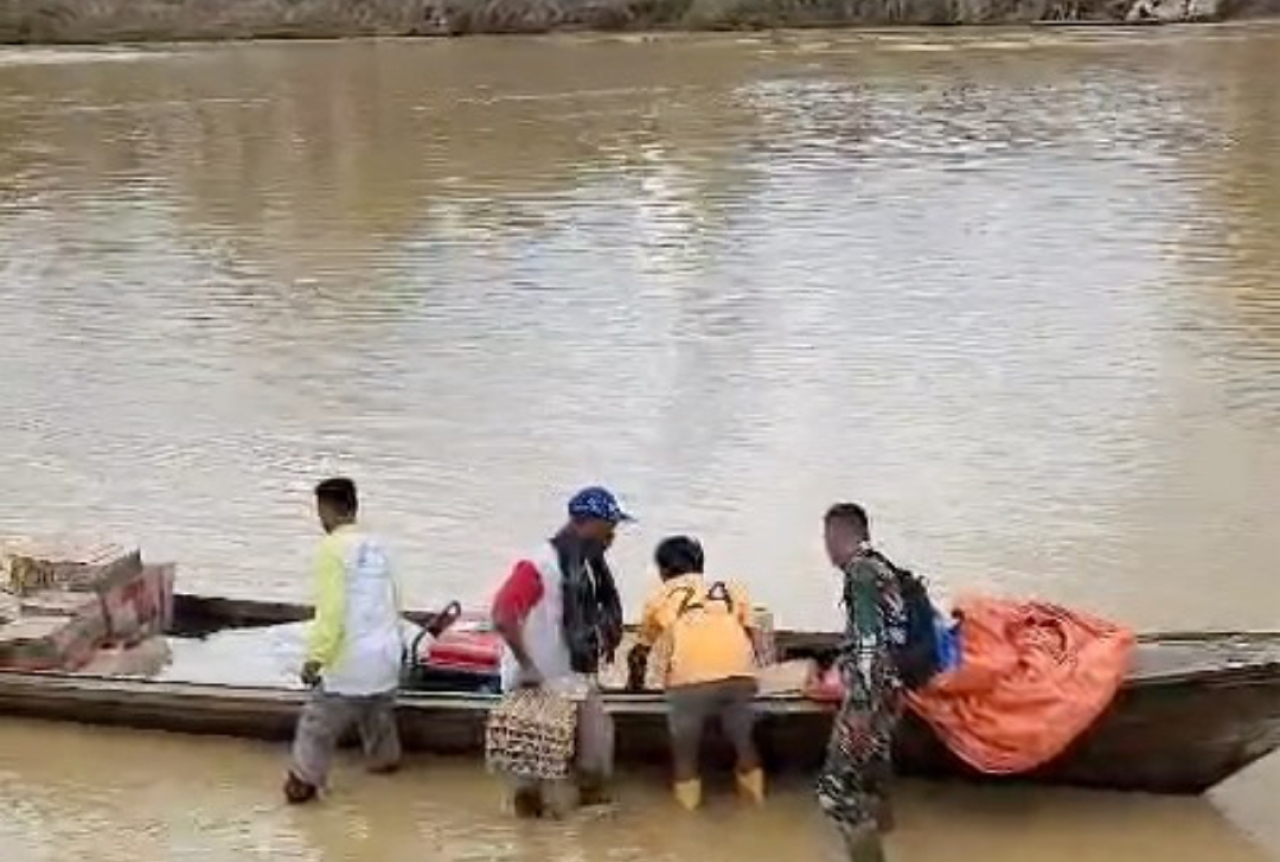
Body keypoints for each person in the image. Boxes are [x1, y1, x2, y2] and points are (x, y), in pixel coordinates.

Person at [283, 477, 456, 804]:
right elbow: (395, 601)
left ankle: (302, 785)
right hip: (386, 658)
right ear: (355, 507)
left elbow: (331, 614)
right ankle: (384, 764)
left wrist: (315, 659)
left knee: (316, 726)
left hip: (350, 662)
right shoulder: (381, 547)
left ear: (325, 510)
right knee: (376, 714)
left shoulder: (331, 550)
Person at [490, 486, 629, 817]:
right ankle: (531, 836)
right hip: (536, 681)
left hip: (575, 676)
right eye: (609, 526)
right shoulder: (541, 564)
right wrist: (526, 665)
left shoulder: (587, 565)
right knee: (531, 775)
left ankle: (588, 815)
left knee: (595, 755)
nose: (613, 535)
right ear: (588, 522)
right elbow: (502, 615)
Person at [631, 535, 764, 811]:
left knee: (686, 752)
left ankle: (688, 819)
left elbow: (639, 652)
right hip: (739, 674)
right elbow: (753, 636)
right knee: (743, 741)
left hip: (689, 680)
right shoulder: (731, 588)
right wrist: (754, 673)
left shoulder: (658, 597)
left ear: (663, 571)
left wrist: (635, 684)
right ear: (700, 565)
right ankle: (756, 805)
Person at [816, 503, 908, 862]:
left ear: (841, 536)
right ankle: (888, 841)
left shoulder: (860, 573)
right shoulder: (883, 566)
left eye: (828, 539)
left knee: (834, 794)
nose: (826, 549)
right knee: (872, 779)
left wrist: (859, 711)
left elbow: (869, 641)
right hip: (892, 690)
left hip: (870, 694)